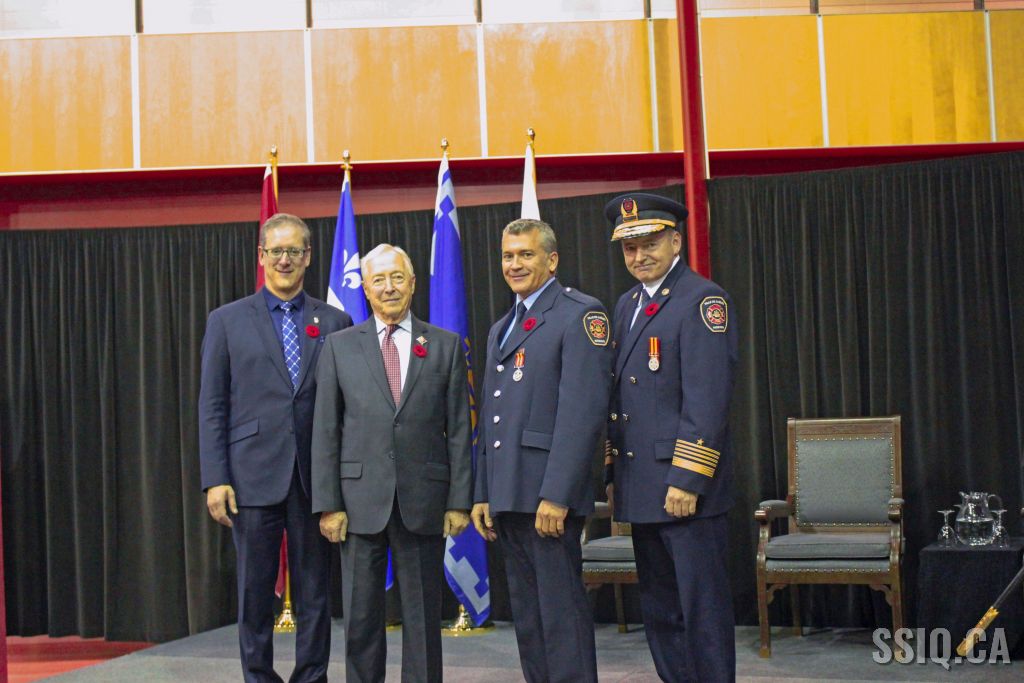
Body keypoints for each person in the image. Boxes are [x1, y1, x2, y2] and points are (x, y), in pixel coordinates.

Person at [198, 213, 352, 683]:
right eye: (276, 251)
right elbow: (212, 405)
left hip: (314, 479)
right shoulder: (226, 321)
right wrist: (215, 478)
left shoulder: (336, 321)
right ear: (261, 256)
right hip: (250, 477)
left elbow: (346, 408)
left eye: (294, 251)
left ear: (308, 257)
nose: (285, 259)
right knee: (254, 591)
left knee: (316, 593)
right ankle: (257, 676)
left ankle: (311, 676)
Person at [311, 244, 472, 683]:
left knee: (423, 619)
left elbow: (460, 430)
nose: (389, 287)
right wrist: (328, 504)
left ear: (413, 283)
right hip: (358, 503)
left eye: (397, 277)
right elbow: (326, 430)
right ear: (365, 289)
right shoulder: (339, 347)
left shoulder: (445, 346)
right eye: (378, 280)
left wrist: (459, 501)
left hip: (424, 500)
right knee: (361, 619)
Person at [603, 193, 739, 682]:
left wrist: (687, 478)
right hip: (641, 485)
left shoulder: (702, 300)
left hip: (684, 491)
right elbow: (620, 397)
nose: (639, 255)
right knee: (661, 612)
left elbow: (707, 400)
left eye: (650, 243)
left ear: (676, 241)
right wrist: (612, 472)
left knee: (701, 612)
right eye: (630, 247)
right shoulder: (627, 305)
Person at [471, 218, 612, 683]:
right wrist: (484, 491)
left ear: (551, 260)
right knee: (530, 622)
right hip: (509, 494)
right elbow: (490, 415)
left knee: (560, 617)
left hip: (547, 498)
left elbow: (581, 415)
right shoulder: (501, 327)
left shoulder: (579, 314)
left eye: (526, 255)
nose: (514, 264)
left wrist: (558, 493)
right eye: (508, 255)